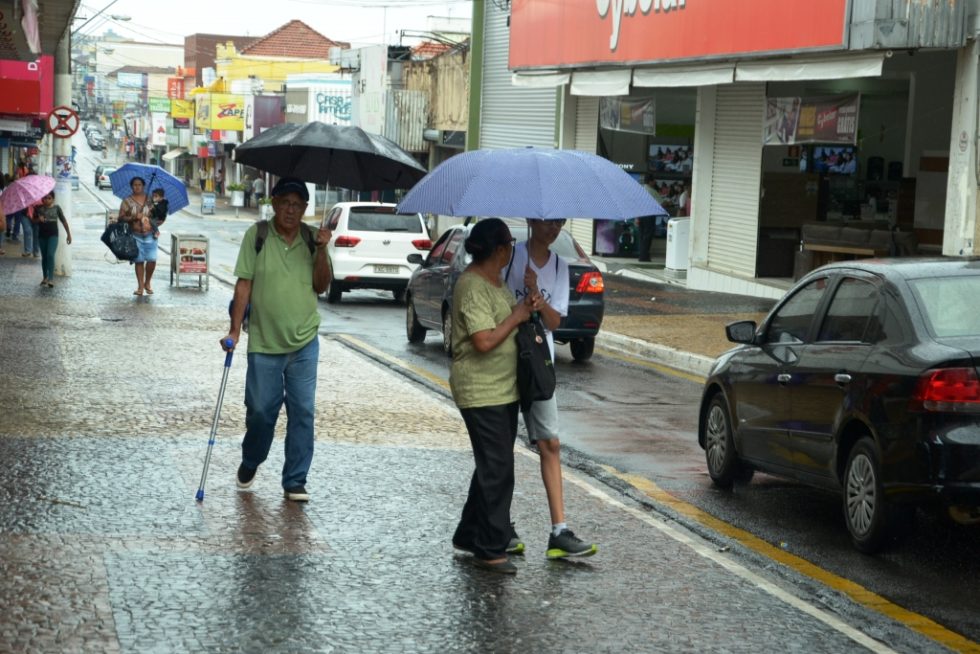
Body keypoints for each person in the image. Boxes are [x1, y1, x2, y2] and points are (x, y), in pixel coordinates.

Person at [222, 177, 333, 502]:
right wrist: (233, 330)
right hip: (264, 342)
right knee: (260, 412)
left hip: (304, 342)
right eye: (285, 202)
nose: (290, 210)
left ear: (305, 209)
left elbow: (322, 285)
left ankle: (295, 479)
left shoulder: (314, 239)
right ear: (273, 203)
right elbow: (244, 284)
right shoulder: (256, 236)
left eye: (297, 205)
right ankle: (251, 459)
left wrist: (323, 250)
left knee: (303, 411)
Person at [502, 219, 599, 560]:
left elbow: (557, 322)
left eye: (560, 221)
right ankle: (501, 525)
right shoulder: (510, 258)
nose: (555, 227)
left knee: (551, 442)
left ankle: (559, 530)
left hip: (539, 365)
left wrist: (538, 301)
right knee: (501, 445)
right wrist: (522, 296)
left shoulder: (559, 266)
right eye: (548, 221)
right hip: (504, 361)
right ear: (531, 221)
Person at [450, 218, 541, 575]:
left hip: (504, 389)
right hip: (480, 390)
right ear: (499, 249)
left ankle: (469, 534)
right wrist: (517, 316)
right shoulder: (471, 285)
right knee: (499, 468)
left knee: (491, 466)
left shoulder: (496, 281)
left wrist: (527, 306)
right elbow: (484, 340)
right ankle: (489, 548)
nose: (512, 251)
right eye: (510, 245)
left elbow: (509, 322)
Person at [118, 176, 157, 296]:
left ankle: (147, 282)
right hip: (135, 235)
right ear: (131, 186)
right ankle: (140, 286)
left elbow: (158, 215)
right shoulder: (126, 201)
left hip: (150, 234)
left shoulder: (150, 200)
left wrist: (150, 218)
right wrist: (134, 217)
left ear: (143, 186)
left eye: (139, 185)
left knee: (152, 259)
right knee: (139, 261)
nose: (137, 187)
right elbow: (121, 218)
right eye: (135, 185)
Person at [33, 191, 72, 287]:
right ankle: (45, 277)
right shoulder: (39, 209)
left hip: (53, 235)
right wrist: (39, 219)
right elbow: (33, 220)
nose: (47, 200)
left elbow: (64, 221)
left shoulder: (57, 208)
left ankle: (51, 279)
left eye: (49, 198)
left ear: (53, 199)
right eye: (45, 198)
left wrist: (69, 234)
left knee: (50, 254)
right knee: (44, 256)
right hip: (42, 235)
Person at [635, 174, 664, 262]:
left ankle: (642, 255)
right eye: (654, 180)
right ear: (650, 181)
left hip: (640, 215)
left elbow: (636, 204)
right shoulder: (653, 191)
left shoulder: (639, 189)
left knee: (642, 236)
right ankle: (644, 256)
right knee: (648, 236)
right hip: (649, 215)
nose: (655, 182)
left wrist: (636, 217)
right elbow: (661, 203)